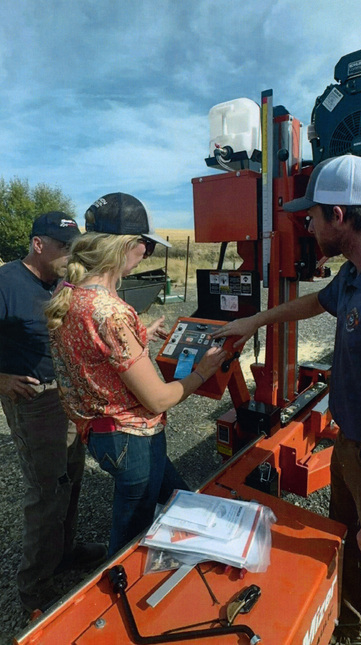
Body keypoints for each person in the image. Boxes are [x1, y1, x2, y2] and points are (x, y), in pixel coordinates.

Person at [215, 155, 361, 645]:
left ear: (339, 217)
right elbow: (316, 301)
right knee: (351, 559)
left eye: (312, 216)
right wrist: (254, 322)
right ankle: (354, 635)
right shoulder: (358, 271)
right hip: (351, 448)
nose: (307, 224)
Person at [45, 193, 228, 557]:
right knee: (130, 541)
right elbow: (158, 398)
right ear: (127, 245)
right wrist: (205, 371)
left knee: (181, 497)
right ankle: (114, 598)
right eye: (146, 245)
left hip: (102, 435)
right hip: (132, 441)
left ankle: (205, 547)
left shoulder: (73, 294)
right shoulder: (111, 314)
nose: (147, 253)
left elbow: (95, 349)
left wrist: (139, 333)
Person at [0, 211, 107, 613]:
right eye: (64, 247)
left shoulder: (61, 283)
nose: (70, 254)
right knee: (47, 491)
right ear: (39, 245)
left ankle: (63, 553)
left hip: (67, 398)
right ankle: (34, 586)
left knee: (72, 477)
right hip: (33, 402)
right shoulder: (6, 283)